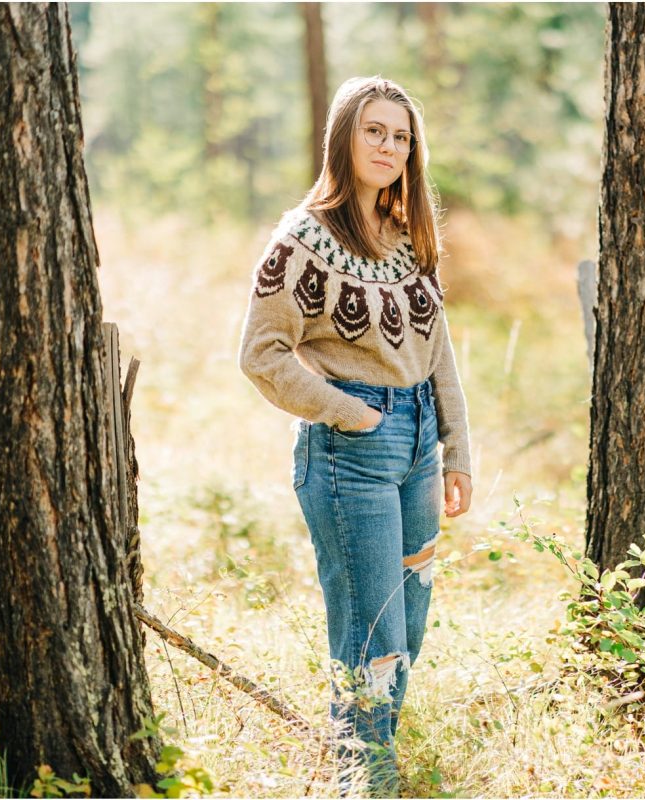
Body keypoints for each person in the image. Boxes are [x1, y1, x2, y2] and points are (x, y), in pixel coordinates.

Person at [237, 75, 473, 796]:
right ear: (344, 135)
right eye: (376, 130)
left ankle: (363, 766)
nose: (390, 146)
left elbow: (439, 353)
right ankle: (364, 783)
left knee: (411, 626)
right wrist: (351, 412)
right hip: (352, 455)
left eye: (401, 136)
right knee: (373, 638)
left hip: (419, 448)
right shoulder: (302, 240)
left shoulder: (408, 239)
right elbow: (261, 352)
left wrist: (457, 450)